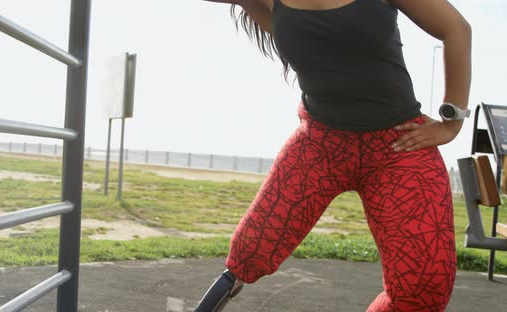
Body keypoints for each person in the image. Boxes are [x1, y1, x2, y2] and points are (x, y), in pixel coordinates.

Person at [195, 0, 471, 311]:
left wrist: (452, 121)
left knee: (424, 285)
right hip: (321, 145)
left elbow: (456, 28)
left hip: (398, 146)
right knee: (254, 246)